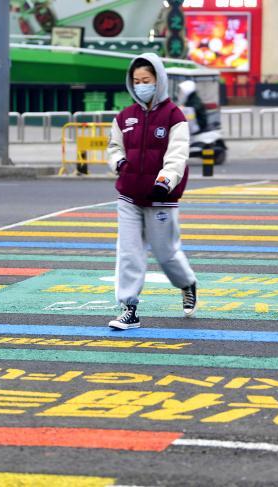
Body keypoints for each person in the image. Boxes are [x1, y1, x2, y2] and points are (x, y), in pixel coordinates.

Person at [106, 53, 197, 330]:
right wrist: (118, 163)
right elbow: (113, 147)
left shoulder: (174, 116)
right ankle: (129, 307)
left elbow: (178, 154)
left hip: (161, 198)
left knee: (166, 253)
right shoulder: (125, 117)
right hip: (129, 196)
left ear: (159, 81)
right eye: (136, 81)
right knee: (129, 253)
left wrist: (166, 180)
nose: (141, 85)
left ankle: (187, 283)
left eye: (146, 80)